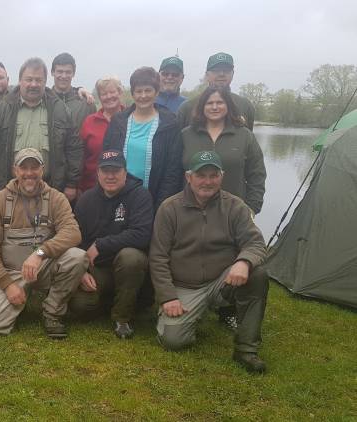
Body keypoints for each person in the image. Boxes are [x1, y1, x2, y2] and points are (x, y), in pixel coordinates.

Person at [150, 150, 269, 373]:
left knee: (258, 275)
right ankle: (191, 315)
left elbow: (256, 243)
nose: (207, 181)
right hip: (184, 286)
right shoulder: (169, 208)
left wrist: (244, 262)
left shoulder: (236, 206)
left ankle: (246, 349)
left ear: (221, 177)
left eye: (213, 175)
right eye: (201, 175)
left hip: (221, 281)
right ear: (188, 177)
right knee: (173, 341)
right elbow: (157, 257)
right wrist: (168, 297)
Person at [0, 148, 88, 339]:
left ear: (42, 170)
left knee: (77, 257)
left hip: (44, 268)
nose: (29, 173)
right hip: (10, 272)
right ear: (15, 170)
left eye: (34, 167)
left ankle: (52, 312)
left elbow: (73, 233)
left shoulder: (56, 198)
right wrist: (7, 285)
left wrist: (40, 253)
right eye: (24, 167)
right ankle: (17, 299)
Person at [68, 150, 153, 338]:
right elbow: (75, 238)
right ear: (98, 173)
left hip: (128, 267)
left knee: (131, 257)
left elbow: (142, 234)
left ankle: (122, 317)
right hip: (98, 269)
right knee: (79, 306)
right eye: (105, 171)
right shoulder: (86, 199)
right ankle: (113, 301)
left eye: (116, 170)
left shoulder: (140, 196)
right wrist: (82, 271)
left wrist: (101, 244)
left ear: (125, 172)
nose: (110, 176)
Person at [0, 57, 82, 203]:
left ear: (45, 82)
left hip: (50, 189)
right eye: (29, 79)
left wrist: (72, 184)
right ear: (20, 80)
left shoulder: (61, 110)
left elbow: (74, 148)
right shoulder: (1, 110)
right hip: (10, 189)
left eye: (38, 80)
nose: (33, 84)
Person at [102, 67, 183, 210]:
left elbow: (172, 170)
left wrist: (162, 206)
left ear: (157, 92)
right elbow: (105, 158)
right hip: (117, 197)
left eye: (148, 90)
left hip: (153, 198)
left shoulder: (170, 124)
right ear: (132, 93)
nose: (143, 95)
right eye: (139, 91)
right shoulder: (118, 122)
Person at [182, 86, 266, 214]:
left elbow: (257, 175)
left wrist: (251, 208)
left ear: (228, 105)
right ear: (202, 107)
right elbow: (174, 173)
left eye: (220, 102)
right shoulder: (186, 135)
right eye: (209, 103)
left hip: (233, 213)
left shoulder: (245, 135)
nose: (215, 107)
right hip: (190, 211)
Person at [177, 52, 256, 131]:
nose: (221, 74)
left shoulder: (246, 106)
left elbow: (248, 140)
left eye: (226, 70)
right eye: (216, 70)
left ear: (232, 74)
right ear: (207, 75)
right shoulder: (187, 107)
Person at [78, 76, 125, 192]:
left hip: (124, 188)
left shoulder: (132, 118)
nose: (109, 97)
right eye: (104, 94)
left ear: (120, 93)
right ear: (99, 97)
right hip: (91, 186)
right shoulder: (89, 122)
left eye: (112, 92)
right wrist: (77, 185)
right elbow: (80, 156)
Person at [50, 53, 96, 131]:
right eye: (60, 72)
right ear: (52, 72)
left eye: (68, 72)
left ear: (73, 73)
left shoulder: (86, 104)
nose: (64, 76)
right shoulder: (43, 101)